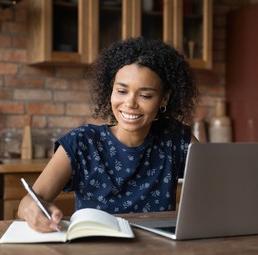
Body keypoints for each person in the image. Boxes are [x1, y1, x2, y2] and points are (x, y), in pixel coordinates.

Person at [18, 37, 200, 232]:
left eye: (145, 95)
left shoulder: (176, 138)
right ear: (110, 90)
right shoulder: (82, 142)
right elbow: (28, 202)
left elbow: (218, 187)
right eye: (122, 91)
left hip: (158, 251)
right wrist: (34, 210)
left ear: (164, 98)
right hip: (97, 251)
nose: (130, 103)